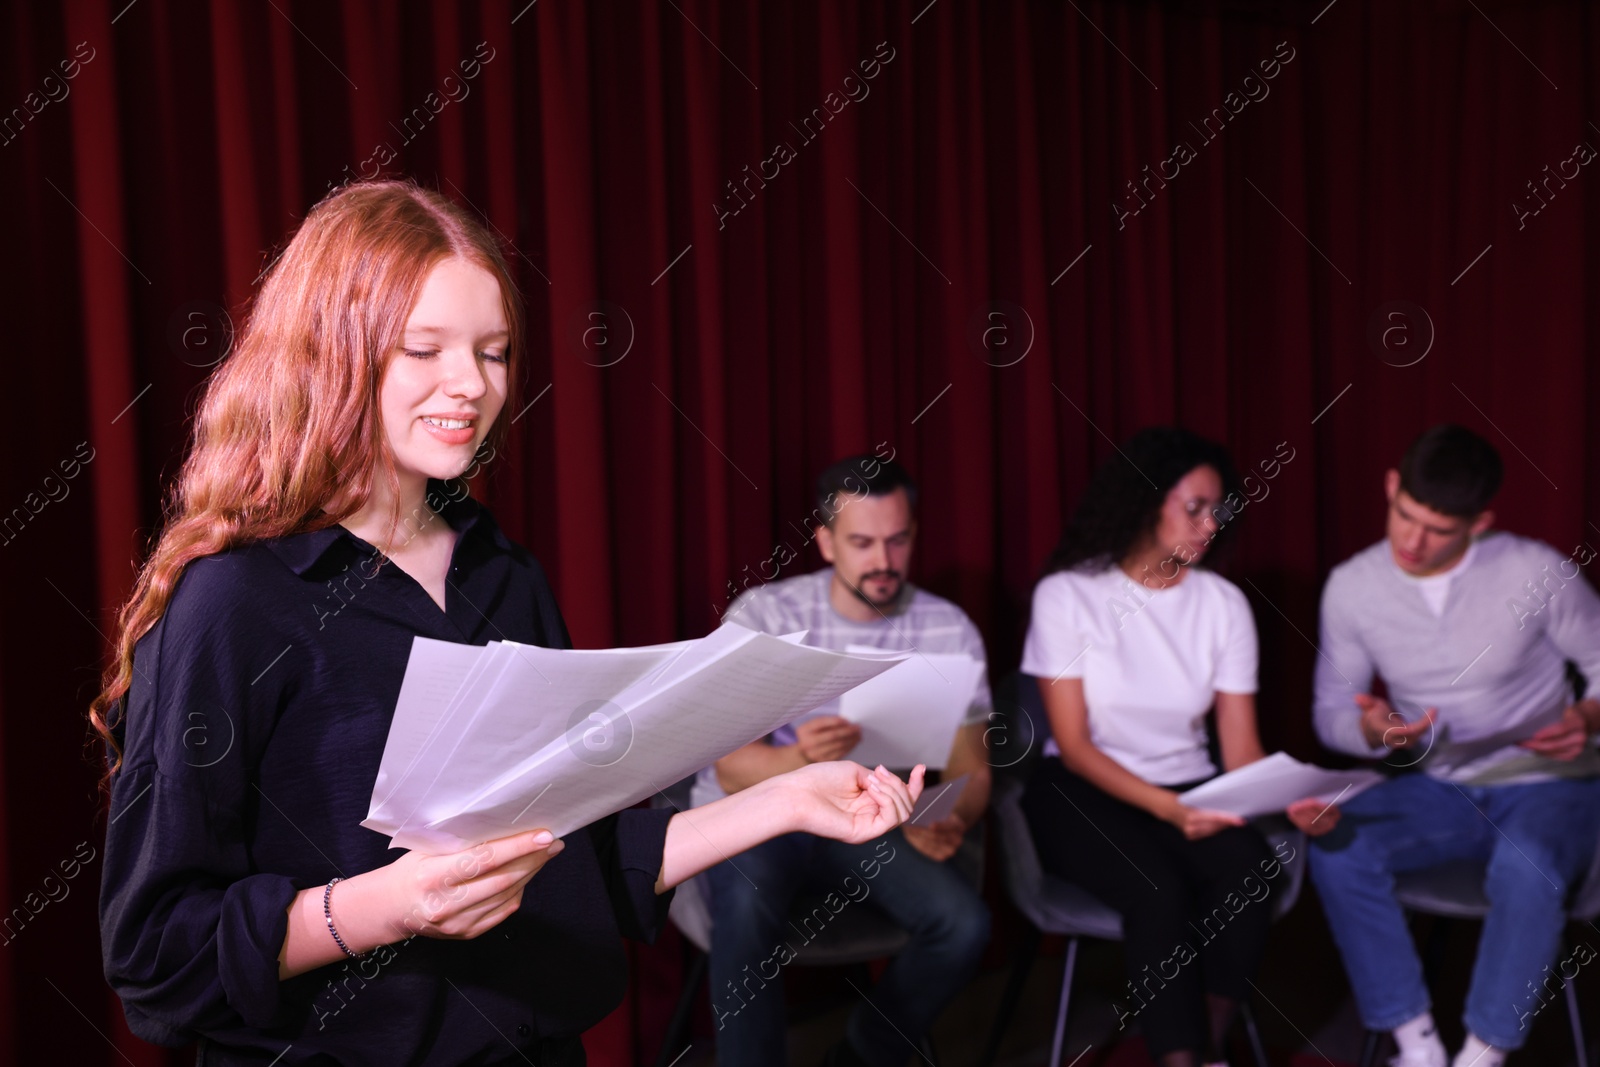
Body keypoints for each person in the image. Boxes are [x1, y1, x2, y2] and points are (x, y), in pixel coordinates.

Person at [92, 181, 925, 1067]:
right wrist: (390, 906)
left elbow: (583, 855)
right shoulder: (232, 603)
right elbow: (155, 950)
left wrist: (788, 800)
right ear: (329, 353)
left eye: (493, 352)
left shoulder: (503, 572)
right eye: (426, 348)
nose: (472, 385)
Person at [1019, 427, 1336, 1067]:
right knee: (1157, 890)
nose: (1209, 524)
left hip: (1193, 784)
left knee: (1252, 870)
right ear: (1145, 500)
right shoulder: (1068, 594)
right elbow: (1075, 745)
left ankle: (1203, 1047)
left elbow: (1240, 751)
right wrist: (1167, 810)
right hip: (1083, 792)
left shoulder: (1222, 605)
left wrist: (1296, 799)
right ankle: (1178, 1057)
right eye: (1194, 507)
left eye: (1218, 510)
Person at [1308, 424, 1600, 1067]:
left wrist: (1588, 712)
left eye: (1438, 530)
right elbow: (1331, 712)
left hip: (1547, 781)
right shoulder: (1352, 587)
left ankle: (1482, 1055)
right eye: (1404, 515)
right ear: (1391, 487)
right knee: (1334, 842)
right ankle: (1415, 1044)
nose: (1413, 542)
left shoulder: (1536, 570)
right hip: (1441, 786)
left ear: (1480, 521)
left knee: (1528, 867)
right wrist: (1374, 730)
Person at [691, 455, 992, 1067]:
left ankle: (862, 1055)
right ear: (826, 542)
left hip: (870, 818)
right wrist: (802, 760)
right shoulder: (765, 615)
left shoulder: (947, 627)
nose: (882, 561)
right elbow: (728, 769)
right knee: (748, 910)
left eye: (897, 540)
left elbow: (974, 767)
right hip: (759, 813)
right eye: (862, 542)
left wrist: (939, 813)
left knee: (965, 925)